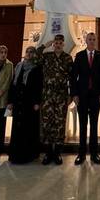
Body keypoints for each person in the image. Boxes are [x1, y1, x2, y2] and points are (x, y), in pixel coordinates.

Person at [70, 32, 100, 165]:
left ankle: (94, 154)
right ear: (86, 41)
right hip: (82, 96)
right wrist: (74, 94)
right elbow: (73, 77)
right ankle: (81, 154)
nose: (91, 41)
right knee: (82, 125)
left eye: (93, 39)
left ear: (95, 41)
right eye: (89, 39)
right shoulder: (79, 56)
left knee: (94, 125)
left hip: (95, 96)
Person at [37, 34, 74, 165]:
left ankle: (57, 152)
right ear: (53, 44)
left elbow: (72, 78)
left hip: (61, 95)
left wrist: (71, 94)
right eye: (56, 43)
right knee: (47, 123)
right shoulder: (47, 56)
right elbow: (36, 55)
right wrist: (45, 45)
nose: (58, 45)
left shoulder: (68, 58)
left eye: (60, 43)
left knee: (59, 123)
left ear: (63, 44)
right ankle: (48, 153)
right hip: (47, 95)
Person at [8, 46, 43, 164]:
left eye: (31, 52)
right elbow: (13, 85)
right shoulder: (19, 66)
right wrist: (10, 101)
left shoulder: (37, 68)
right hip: (19, 101)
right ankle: (15, 155)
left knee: (29, 127)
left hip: (30, 103)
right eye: (27, 51)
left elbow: (39, 86)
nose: (28, 53)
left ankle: (29, 154)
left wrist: (37, 102)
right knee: (17, 128)